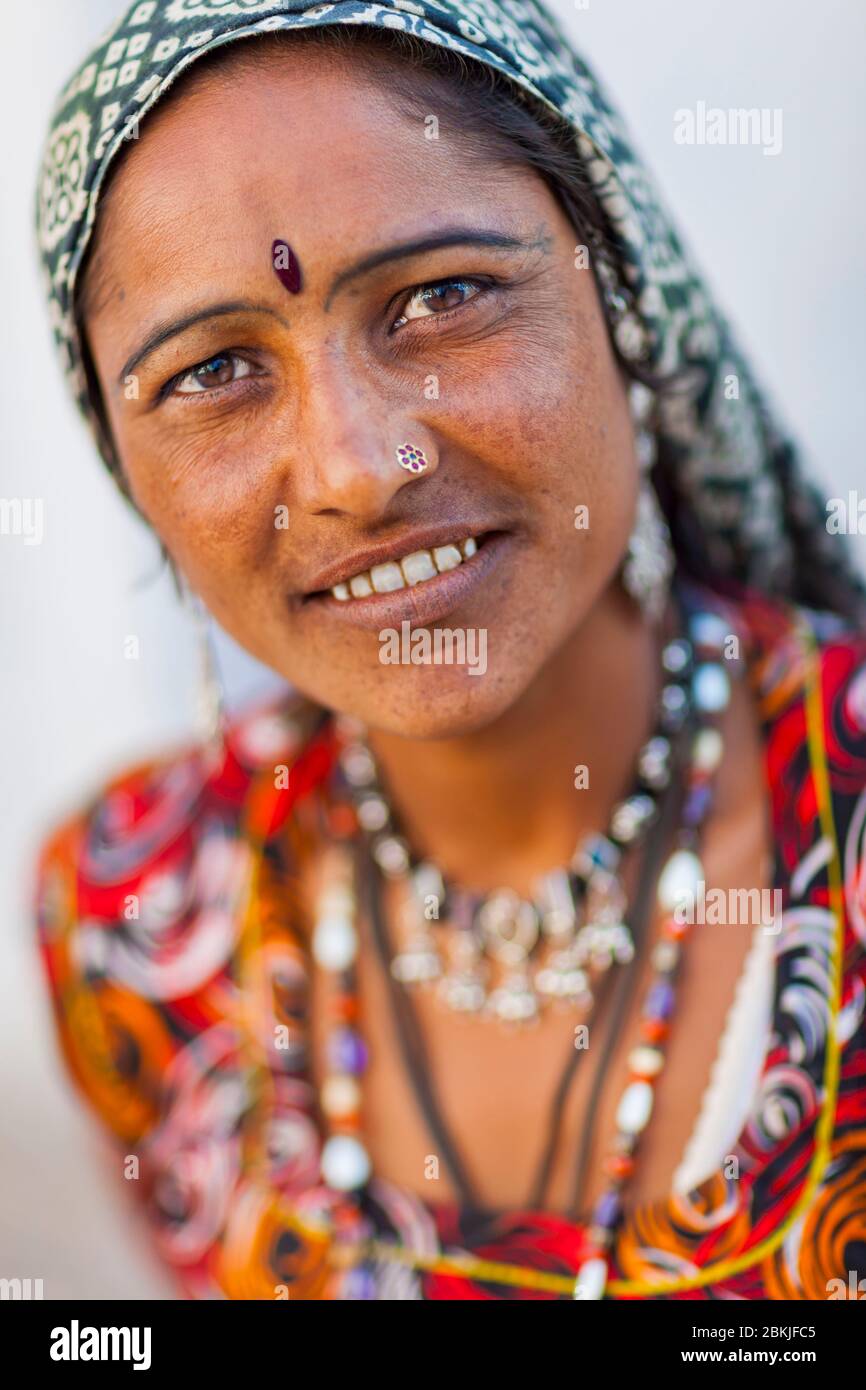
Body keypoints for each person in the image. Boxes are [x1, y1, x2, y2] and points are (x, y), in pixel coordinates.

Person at [33, 0, 866, 1301]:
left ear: (625, 302)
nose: (359, 469)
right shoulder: (132, 925)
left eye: (442, 297)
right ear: (128, 474)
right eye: (212, 373)